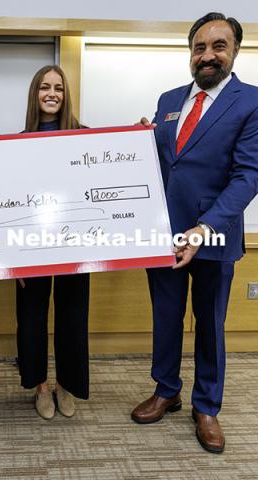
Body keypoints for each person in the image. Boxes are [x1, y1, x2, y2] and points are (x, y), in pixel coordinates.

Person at [131, 13, 258, 453]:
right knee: (165, 318)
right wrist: (133, 145)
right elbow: (163, 163)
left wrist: (203, 230)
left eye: (218, 46)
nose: (208, 55)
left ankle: (207, 406)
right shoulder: (169, 99)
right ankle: (166, 390)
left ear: (235, 51)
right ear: (190, 53)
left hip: (213, 235)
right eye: (200, 47)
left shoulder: (251, 101)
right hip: (163, 233)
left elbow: (247, 176)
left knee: (210, 325)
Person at [16, 65, 90, 420]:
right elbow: (8, 199)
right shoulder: (16, 141)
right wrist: (12, 256)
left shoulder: (85, 136)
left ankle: (66, 385)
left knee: (72, 317)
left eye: (58, 88)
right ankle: (40, 386)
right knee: (31, 317)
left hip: (75, 245)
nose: (52, 93)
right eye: (44, 87)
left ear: (65, 94)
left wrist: (135, 138)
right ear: (35, 93)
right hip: (30, 245)